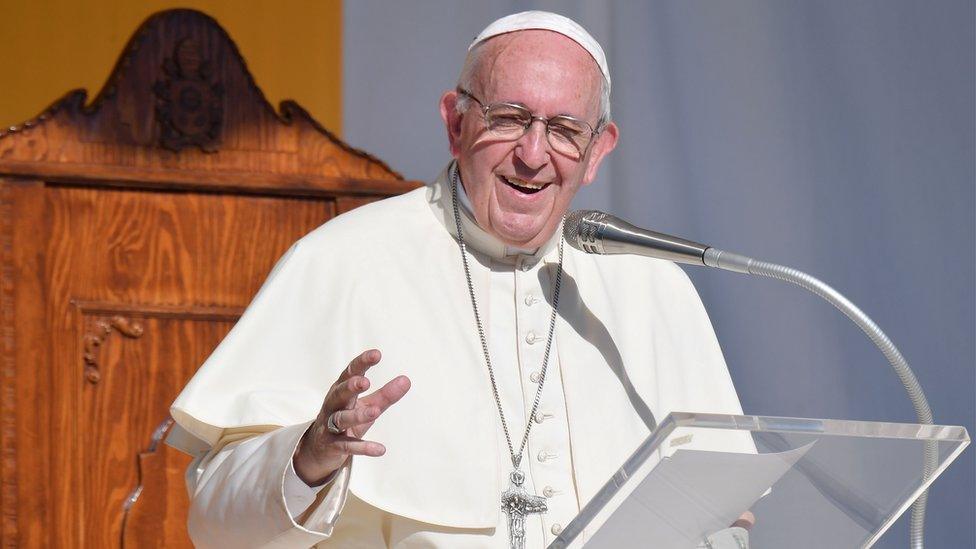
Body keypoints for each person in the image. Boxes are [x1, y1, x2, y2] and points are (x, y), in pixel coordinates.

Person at [168, 11, 753, 549]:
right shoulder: (340, 262)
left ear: (597, 151)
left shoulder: (655, 288)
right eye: (509, 119)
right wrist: (309, 458)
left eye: (565, 130)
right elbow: (216, 524)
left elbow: (727, 509)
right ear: (455, 123)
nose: (533, 153)